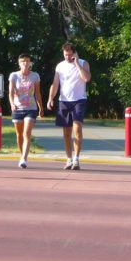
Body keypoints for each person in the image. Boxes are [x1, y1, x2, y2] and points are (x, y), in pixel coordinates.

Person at [47, 41, 91, 170]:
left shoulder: (83, 63)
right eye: (66, 55)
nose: (68, 57)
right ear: (63, 53)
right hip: (64, 101)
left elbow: (86, 78)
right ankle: (69, 159)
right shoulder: (60, 66)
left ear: (75, 53)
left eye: (70, 55)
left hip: (79, 100)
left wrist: (77, 63)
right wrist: (50, 98)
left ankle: (76, 159)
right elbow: (55, 84)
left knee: (77, 129)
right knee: (66, 132)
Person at [8, 53, 44, 168]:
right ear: (19, 63)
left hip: (31, 108)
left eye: (27, 61)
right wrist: (12, 104)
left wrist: (41, 108)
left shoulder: (35, 76)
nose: (25, 63)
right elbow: (10, 92)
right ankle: (21, 154)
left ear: (30, 63)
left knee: (26, 133)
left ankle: (24, 158)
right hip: (17, 108)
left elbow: (38, 93)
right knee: (19, 135)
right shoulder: (14, 75)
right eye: (23, 61)